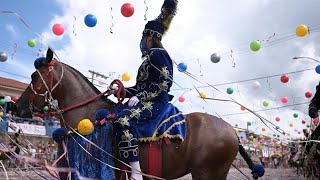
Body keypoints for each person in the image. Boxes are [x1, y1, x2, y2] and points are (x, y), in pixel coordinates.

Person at [109, 0, 178, 179]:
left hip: (157, 102)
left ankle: (136, 173)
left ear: (149, 37)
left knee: (123, 121)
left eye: (143, 37)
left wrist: (142, 96)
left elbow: (165, 83)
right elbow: (139, 88)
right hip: (147, 99)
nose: (142, 41)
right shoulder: (148, 59)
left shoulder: (158, 54)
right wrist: (120, 90)